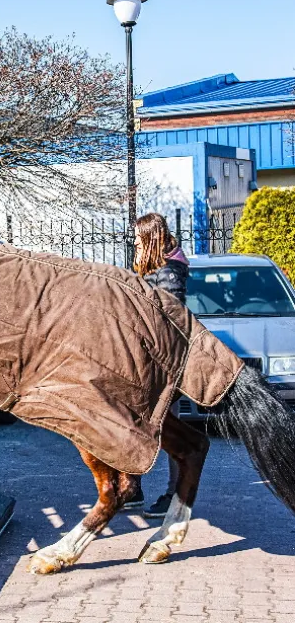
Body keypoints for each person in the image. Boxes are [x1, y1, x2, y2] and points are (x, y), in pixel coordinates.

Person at [126, 212, 190, 517]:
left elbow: (168, 318)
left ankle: (175, 497)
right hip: (146, 363)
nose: (135, 243)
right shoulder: (153, 268)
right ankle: (131, 489)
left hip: (163, 366)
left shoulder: (170, 272)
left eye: (139, 239)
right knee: (135, 424)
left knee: (167, 430)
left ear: (151, 238)